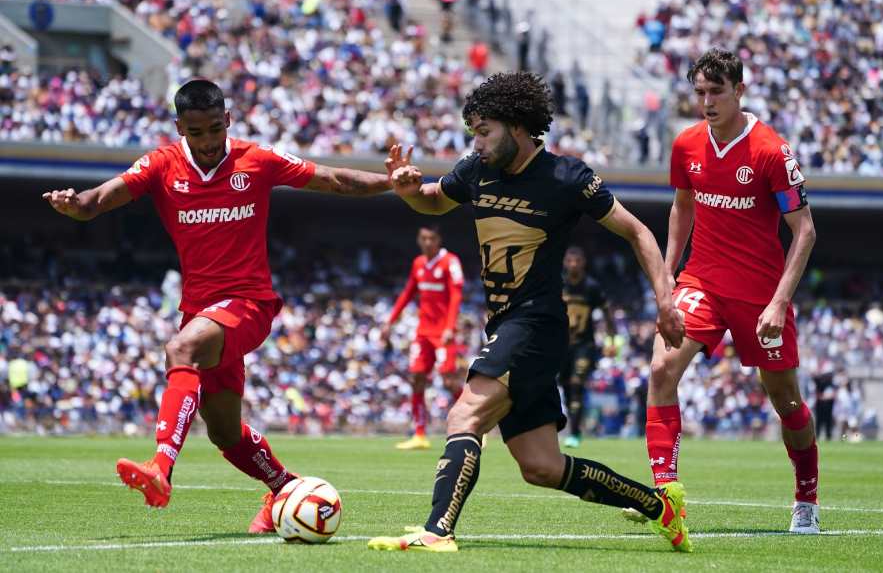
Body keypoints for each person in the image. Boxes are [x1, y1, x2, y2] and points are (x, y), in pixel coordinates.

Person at [42, 79, 400, 532]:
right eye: (197, 132)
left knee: (180, 350)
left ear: (228, 120)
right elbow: (97, 201)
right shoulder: (161, 165)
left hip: (249, 304)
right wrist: (75, 206)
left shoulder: (257, 160)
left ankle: (160, 468)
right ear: (180, 128)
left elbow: (334, 179)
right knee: (225, 433)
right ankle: (287, 491)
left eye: (215, 128)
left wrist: (391, 182)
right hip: (201, 312)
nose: (209, 141)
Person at [368, 72, 691, 554]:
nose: (475, 142)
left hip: (536, 324)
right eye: (473, 131)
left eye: (484, 131)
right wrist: (409, 189)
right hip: (505, 324)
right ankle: (660, 507)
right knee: (541, 466)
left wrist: (665, 298)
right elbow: (434, 202)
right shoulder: (476, 170)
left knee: (466, 414)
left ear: (517, 127)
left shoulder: (567, 177)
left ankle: (437, 530)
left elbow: (638, 232)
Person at [623, 48, 820, 534]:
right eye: (700, 92)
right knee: (661, 368)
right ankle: (666, 497)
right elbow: (681, 208)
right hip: (702, 283)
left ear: (739, 91)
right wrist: (667, 276)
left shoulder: (772, 151)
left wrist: (779, 301)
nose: (707, 101)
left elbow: (806, 230)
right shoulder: (686, 144)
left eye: (716, 92)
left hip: (759, 296)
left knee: (786, 401)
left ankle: (807, 499)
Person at [381, 225, 465, 450]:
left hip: (443, 333)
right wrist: (390, 321)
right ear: (419, 240)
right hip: (423, 332)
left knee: (449, 380)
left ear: (439, 239)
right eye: (424, 238)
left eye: (432, 238)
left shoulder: (450, 262)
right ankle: (419, 434)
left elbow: (456, 296)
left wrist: (450, 327)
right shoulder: (418, 263)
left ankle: (474, 427)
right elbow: (408, 293)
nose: (428, 242)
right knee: (416, 377)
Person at [559, 247, 605, 448]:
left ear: (583, 263)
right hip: (560, 346)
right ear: (565, 263)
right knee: (567, 387)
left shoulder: (591, 287)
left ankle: (575, 433)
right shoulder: (558, 285)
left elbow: (607, 310)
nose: (573, 265)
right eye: (570, 261)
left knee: (577, 383)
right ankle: (574, 428)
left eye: (577, 261)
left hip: (584, 345)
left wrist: (611, 338)